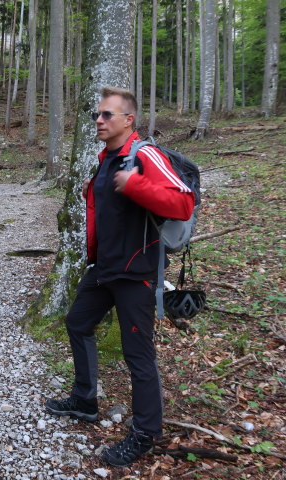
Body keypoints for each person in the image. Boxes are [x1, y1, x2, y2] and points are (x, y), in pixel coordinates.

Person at [45, 86, 195, 467]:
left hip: (136, 274)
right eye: (97, 114)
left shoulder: (145, 155)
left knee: (138, 356)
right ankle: (85, 400)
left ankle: (146, 433)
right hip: (105, 268)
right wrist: (90, 194)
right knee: (78, 322)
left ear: (129, 120)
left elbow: (182, 202)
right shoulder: (106, 160)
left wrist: (136, 185)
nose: (98, 120)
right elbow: (110, 206)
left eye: (107, 114)